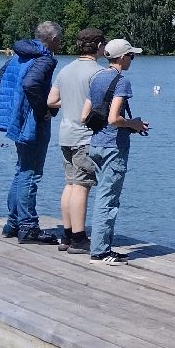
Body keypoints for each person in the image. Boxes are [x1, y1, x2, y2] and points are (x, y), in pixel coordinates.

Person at [82, 38, 149, 264]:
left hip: (96, 144)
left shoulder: (96, 77)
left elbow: (84, 116)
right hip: (113, 146)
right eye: (131, 55)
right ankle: (100, 251)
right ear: (121, 57)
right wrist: (134, 124)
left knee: (102, 194)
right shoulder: (122, 81)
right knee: (108, 199)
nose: (132, 59)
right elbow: (113, 119)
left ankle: (101, 247)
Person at [0, 21, 63, 245]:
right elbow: (31, 84)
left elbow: (1, 76)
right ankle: (28, 226)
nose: (61, 43)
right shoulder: (45, 59)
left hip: (17, 120)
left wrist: (18, 104)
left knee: (21, 170)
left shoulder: (20, 54)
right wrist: (42, 110)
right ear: (53, 40)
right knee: (31, 173)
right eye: (60, 39)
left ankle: (13, 223)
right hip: (32, 122)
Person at [47, 28, 104, 254]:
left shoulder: (65, 70)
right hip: (84, 137)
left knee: (70, 184)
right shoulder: (98, 73)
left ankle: (67, 236)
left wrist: (71, 101)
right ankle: (80, 239)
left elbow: (52, 100)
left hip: (65, 135)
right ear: (99, 46)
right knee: (82, 186)